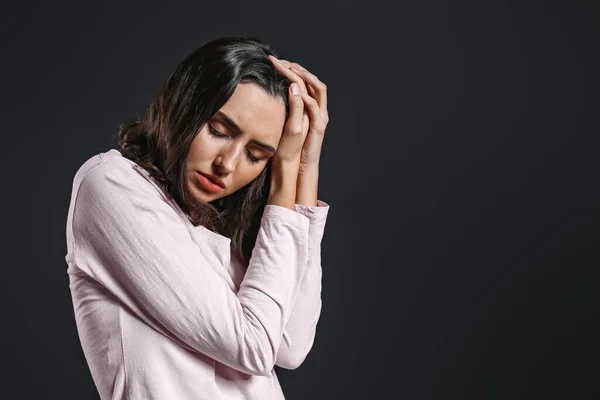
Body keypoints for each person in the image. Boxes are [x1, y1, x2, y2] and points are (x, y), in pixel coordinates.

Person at [64, 36, 330, 400]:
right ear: (185, 103)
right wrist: (284, 172)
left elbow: (290, 344)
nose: (228, 164)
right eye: (219, 131)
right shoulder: (111, 185)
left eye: (256, 155)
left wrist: (305, 164)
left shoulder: (225, 223)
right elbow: (255, 345)